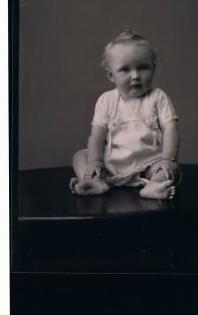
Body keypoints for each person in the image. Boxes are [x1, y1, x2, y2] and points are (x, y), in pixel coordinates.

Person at [69, 29, 181, 200]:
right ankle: (94, 181)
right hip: (111, 165)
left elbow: (171, 129)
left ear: (154, 69)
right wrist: (95, 162)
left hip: (148, 164)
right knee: (80, 156)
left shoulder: (158, 97)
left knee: (170, 170)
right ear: (111, 75)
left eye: (143, 68)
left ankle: (154, 186)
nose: (135, 75)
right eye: (125, 70)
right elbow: (97, 135)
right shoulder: (106, 100)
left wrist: (168, 159)